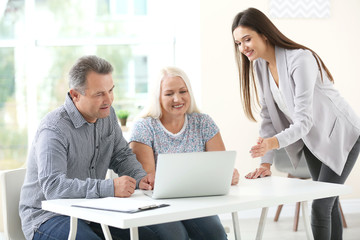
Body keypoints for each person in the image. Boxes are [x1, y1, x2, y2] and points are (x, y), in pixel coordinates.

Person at [231, 7, 360, 240]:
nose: (243, 48)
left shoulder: (300, 59)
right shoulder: (260, 65)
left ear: (265, 34)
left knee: (321, 204)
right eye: (238, 43)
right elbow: (268, 116)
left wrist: (272, 143)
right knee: (328, 201)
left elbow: (304, 119)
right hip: (312, 138)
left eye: (247, 39)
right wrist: (266, 164)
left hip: (341, 134)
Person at [19, 55, 179, 240]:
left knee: (151, 237)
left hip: (92, 211)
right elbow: (54, 187)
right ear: (75, 95)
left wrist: (140, 177)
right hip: (47, 218)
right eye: (99, 94)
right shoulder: (54, 129)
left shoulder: (107, 115)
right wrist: (110, 188)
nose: (109, 100)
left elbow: (120, 155)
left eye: (110, 90)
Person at [129, 66, 239, 240]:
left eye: (183, 91)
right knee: (177, 236)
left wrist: (228, 176)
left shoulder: (203, 123)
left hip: (195, 203)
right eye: (169, 93)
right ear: (157, 97)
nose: (177, 98)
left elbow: (220, 166)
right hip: (156, 205)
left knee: (216, 234)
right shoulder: (144, 127)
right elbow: (149, 180)